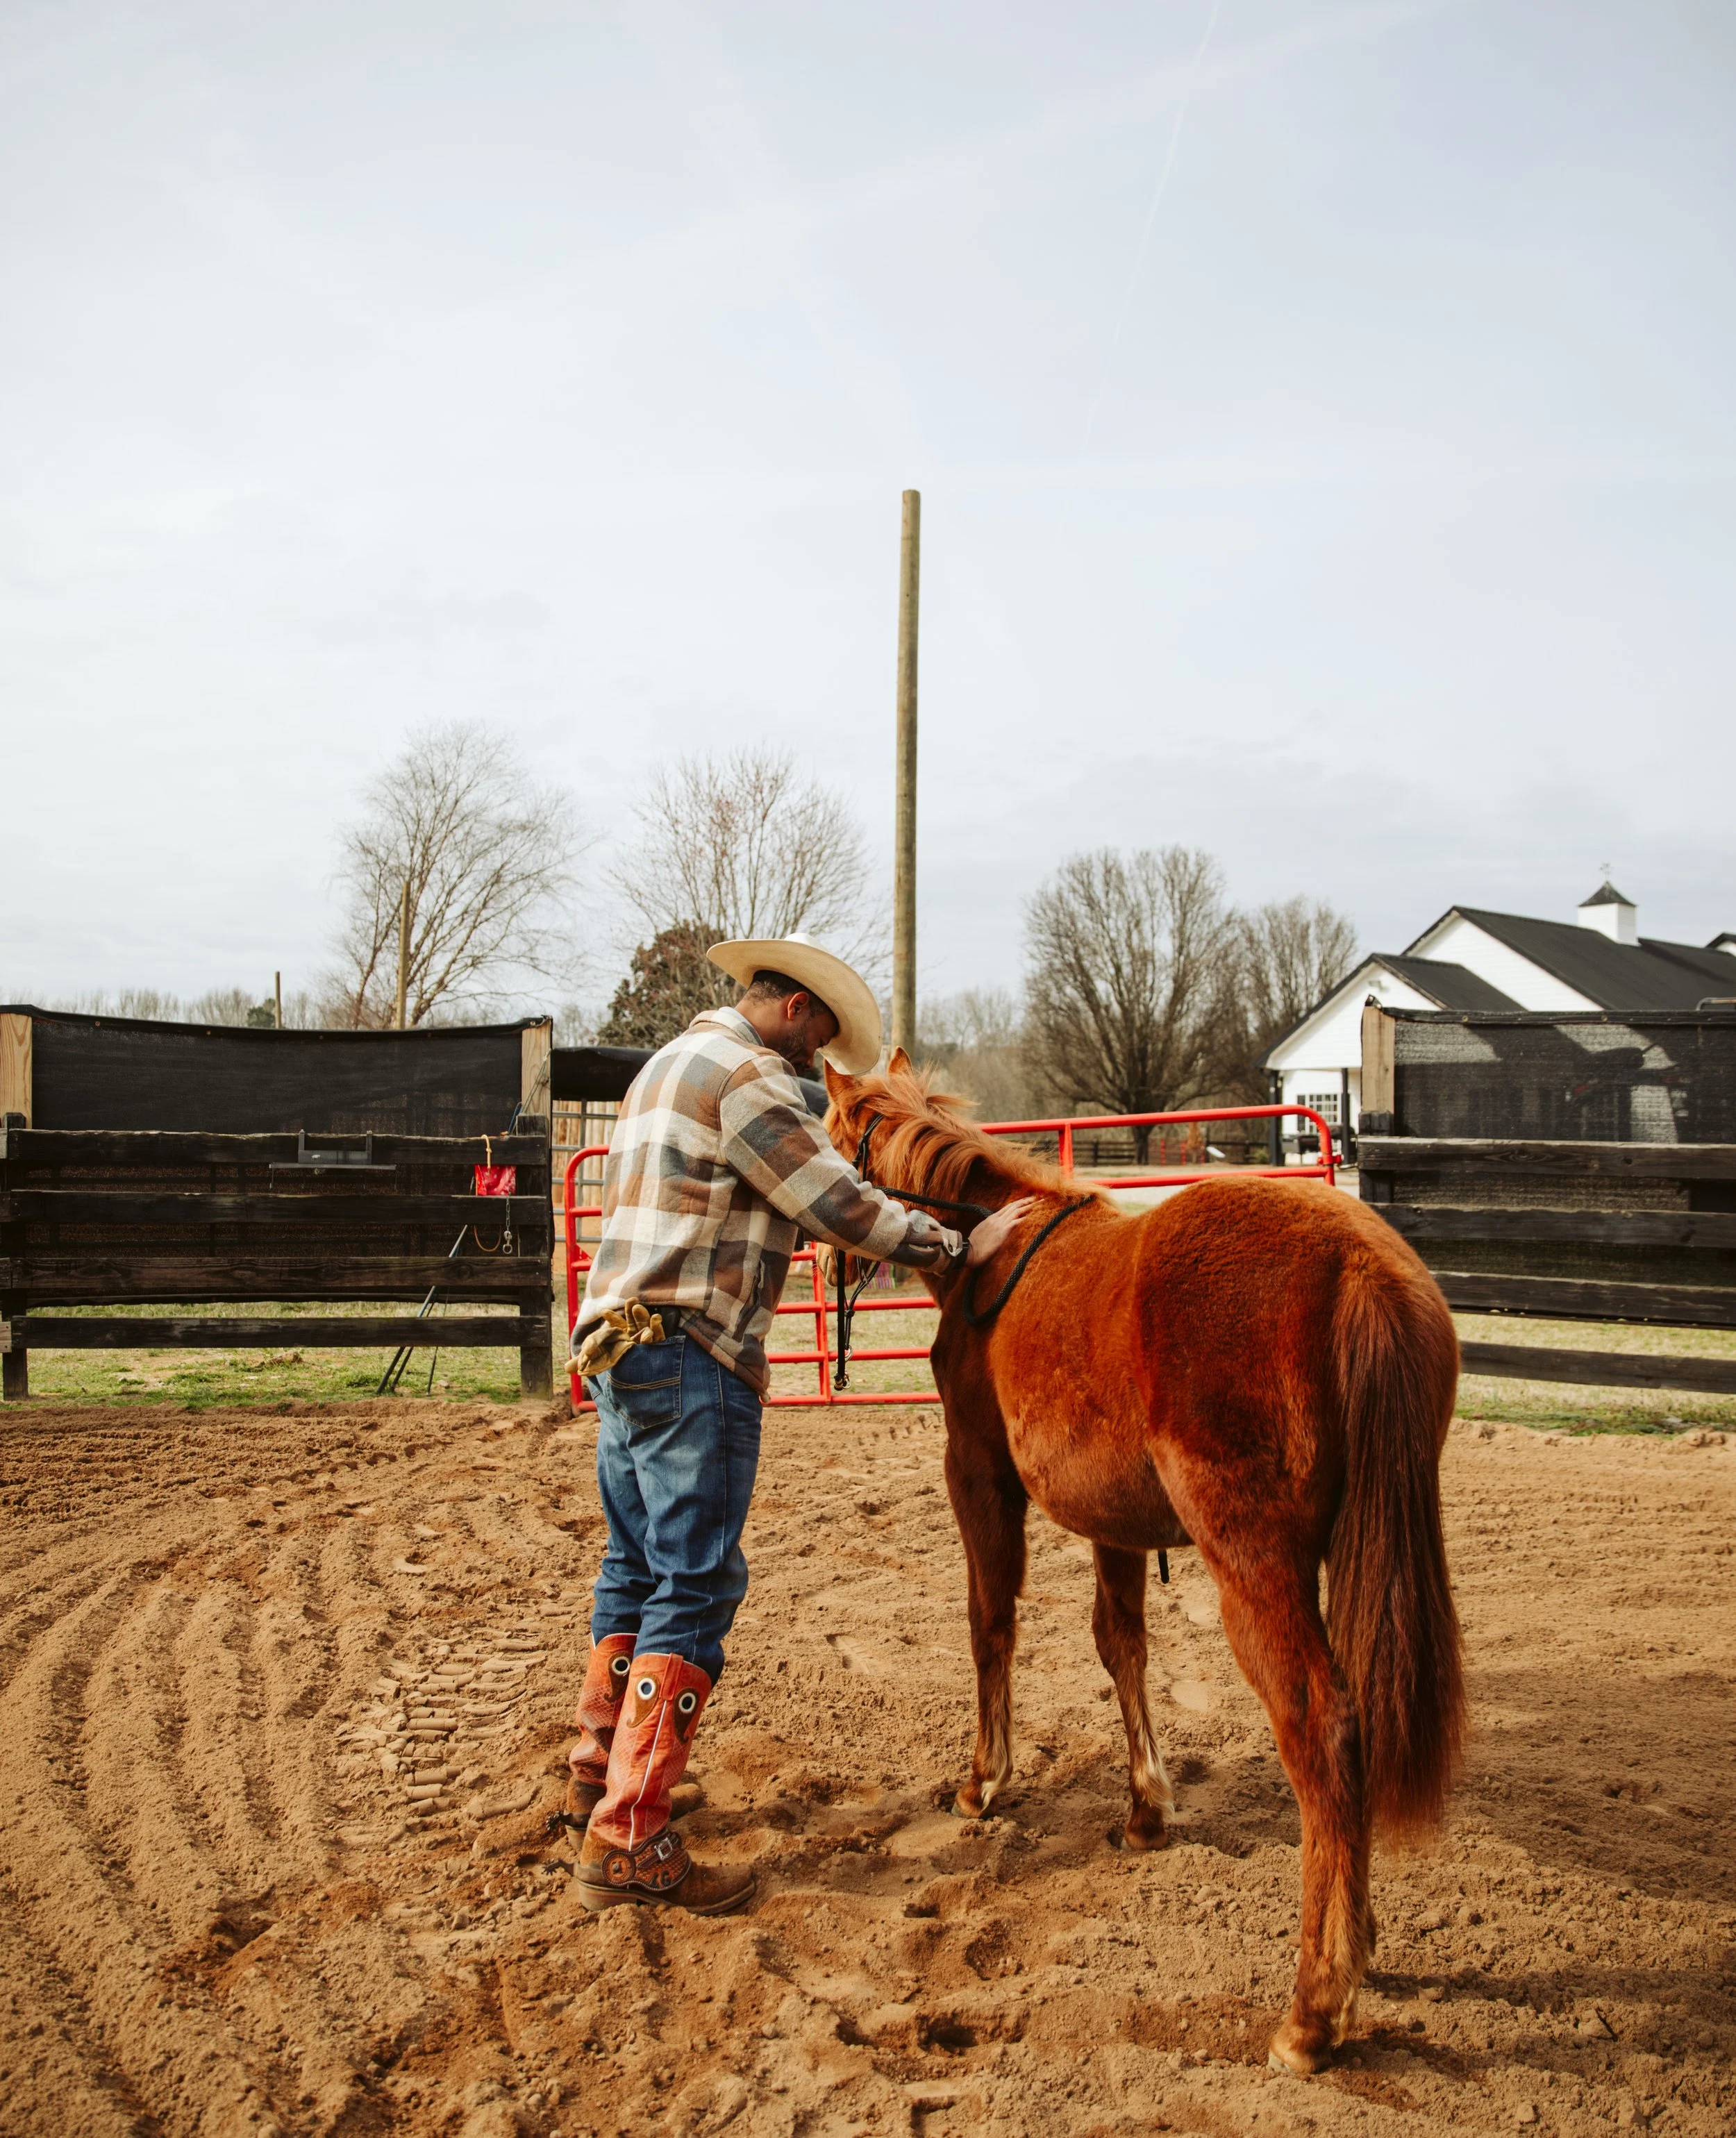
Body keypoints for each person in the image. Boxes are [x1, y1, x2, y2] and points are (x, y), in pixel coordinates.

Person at [562, 933, 1031, 1915]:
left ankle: (598, 1771)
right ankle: (630, 1834)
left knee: (634, 1566)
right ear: (794, 1008)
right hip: (693, 1351)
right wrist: (956, 1242)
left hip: (619, 1345)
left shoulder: (666, 1066)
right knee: (696, 1582)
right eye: (819, 1037)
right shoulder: (750, 1079)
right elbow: (838, 1203)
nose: (818, 1061)